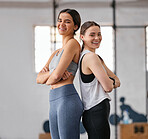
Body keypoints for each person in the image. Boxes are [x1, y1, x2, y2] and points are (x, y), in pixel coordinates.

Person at [36, 9, 83, 139]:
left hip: (66, 99)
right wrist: (54, 72)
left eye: (67, 21)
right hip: (54, 101)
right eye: (60, 20)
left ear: (75, 26)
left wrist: (52, 76)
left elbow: (54, 78)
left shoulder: (73, 44)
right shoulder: (56, 52)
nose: (61, 24)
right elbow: (38, 79)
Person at [79, 21, 121, 139]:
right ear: (82, 37)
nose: (97, 38)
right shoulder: (90, 57)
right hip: (95, 111)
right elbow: (108, 86)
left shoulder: (95, 57)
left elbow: (117, 80)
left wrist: (110, 82)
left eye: (99, 34)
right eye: (92, 35)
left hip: (96, 112)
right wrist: (110, 82)